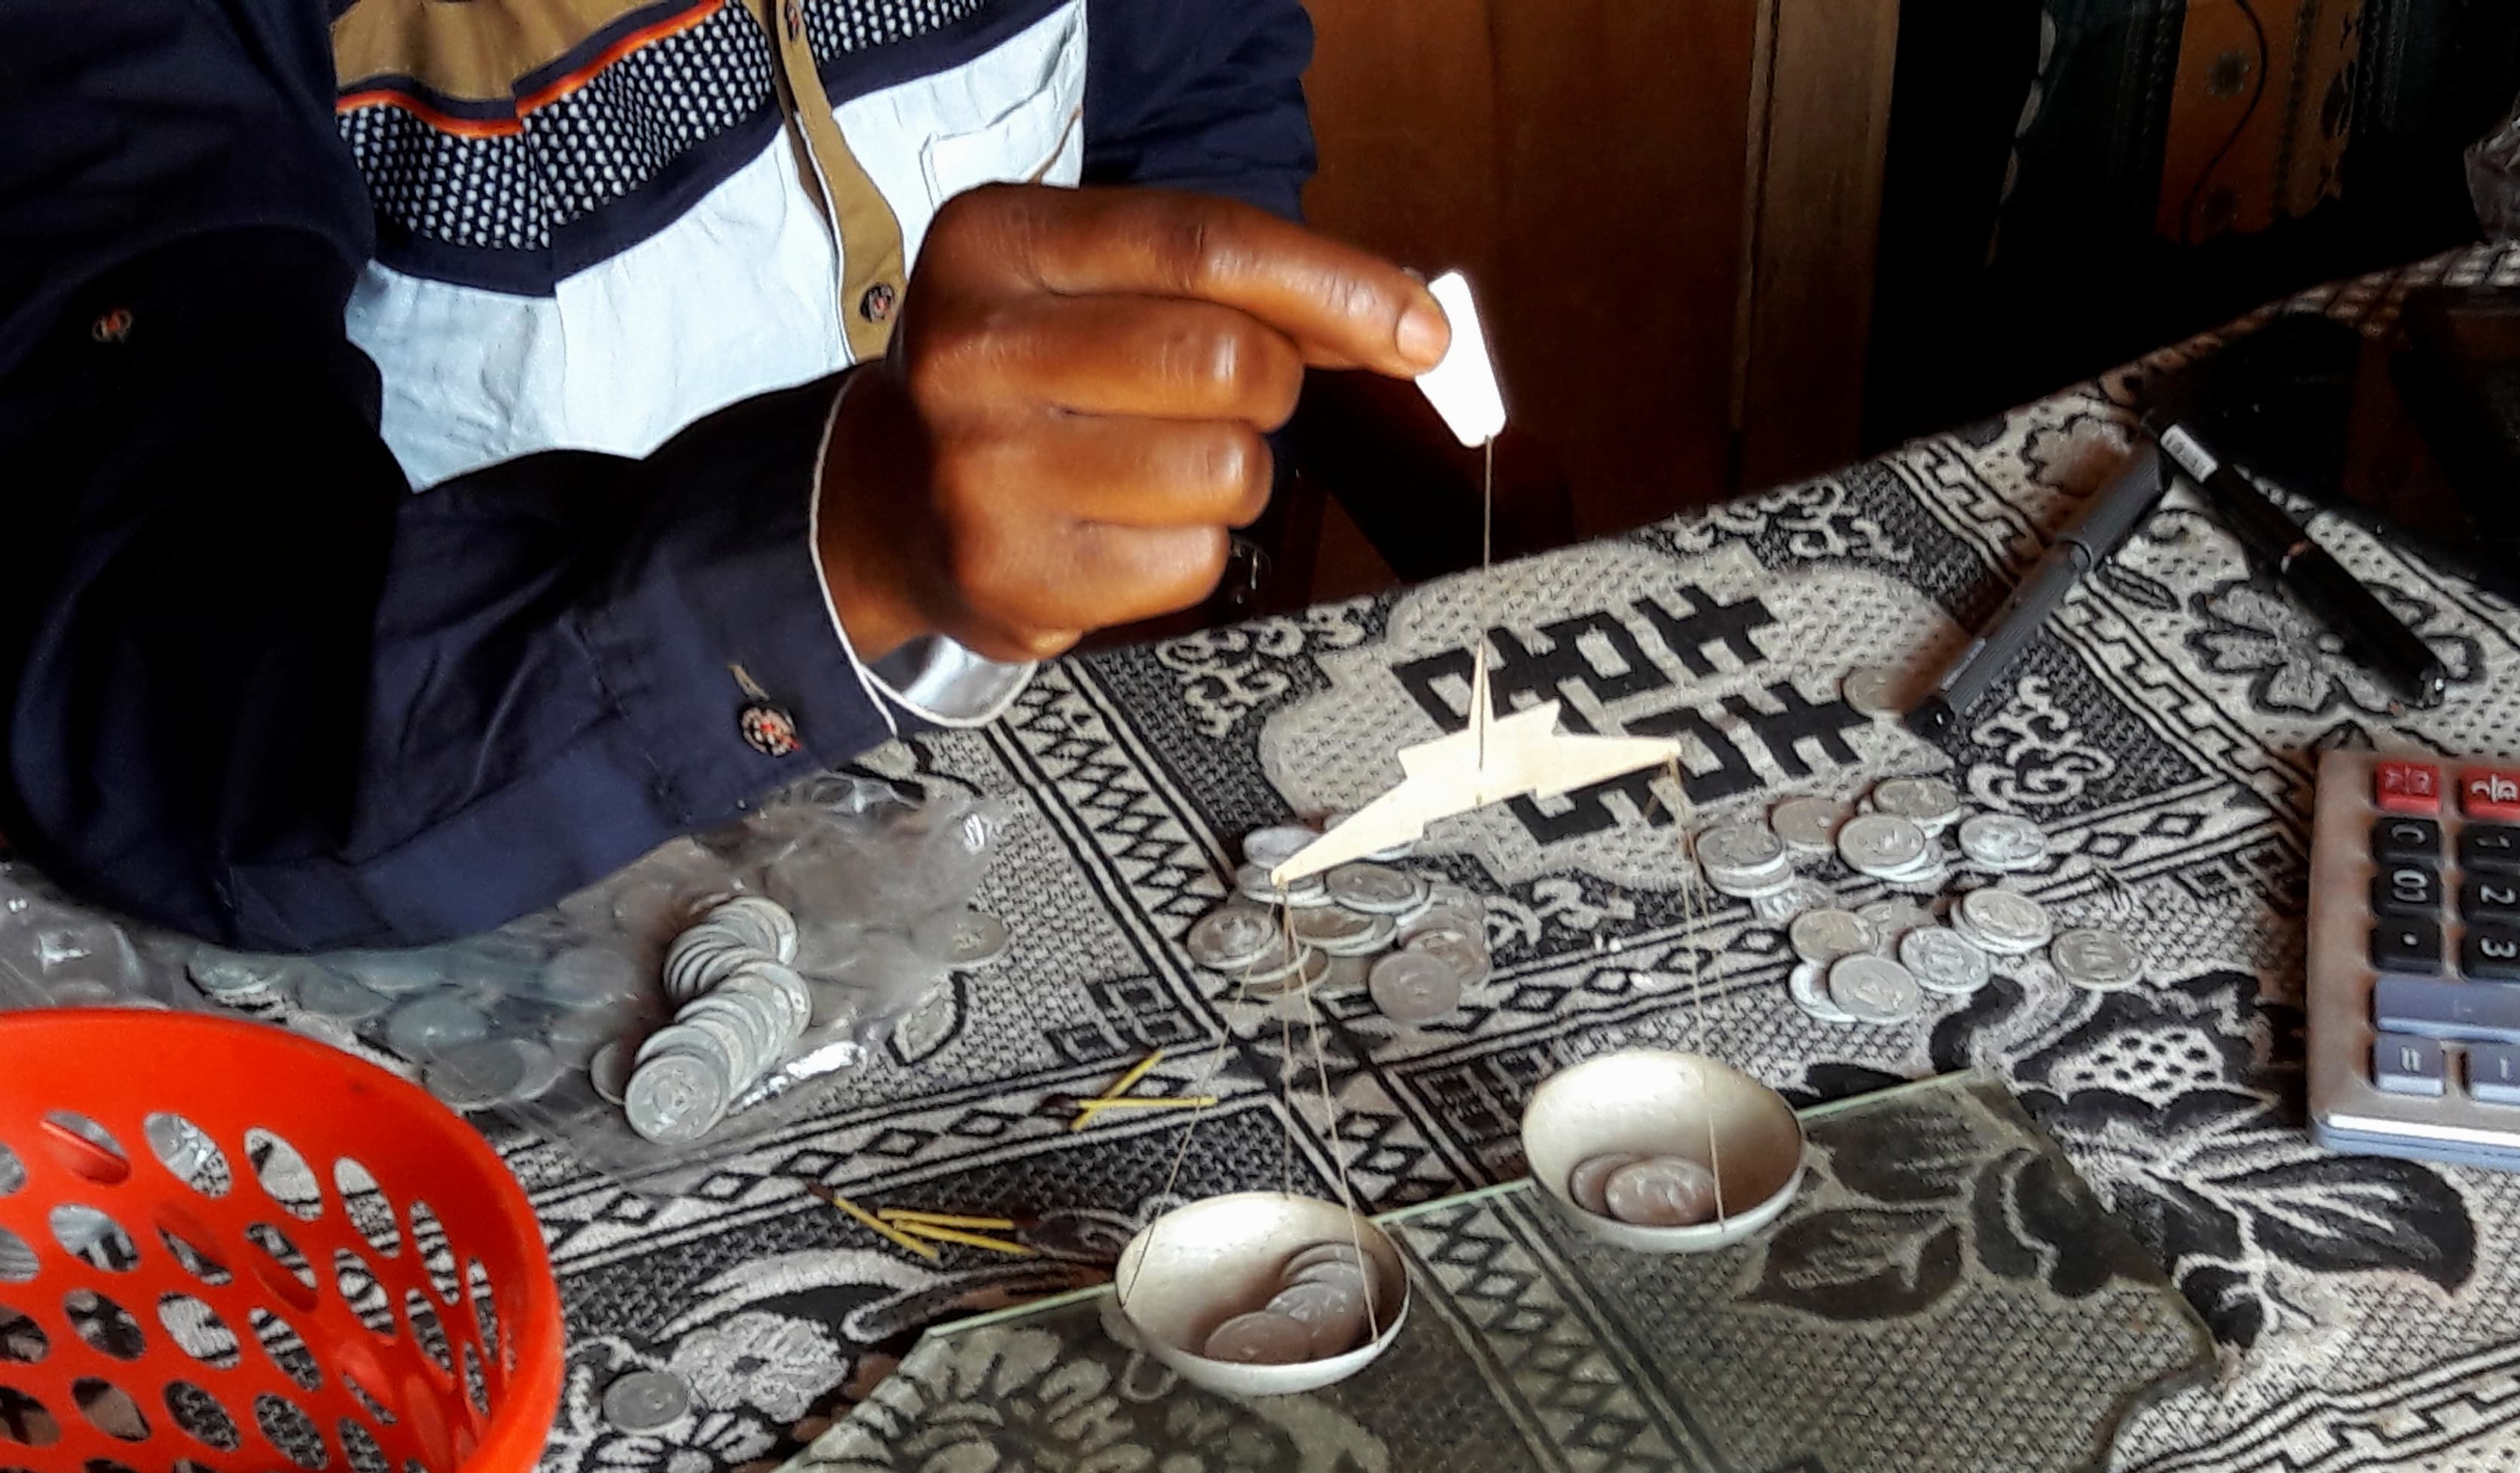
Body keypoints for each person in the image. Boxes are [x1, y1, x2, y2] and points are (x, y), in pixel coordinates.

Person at [0, 0, 1444, 952]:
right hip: (455, 942)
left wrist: (1161, 424)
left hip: (1023, 851)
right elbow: (143, 677)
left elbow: (1193, 105)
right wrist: (823, 554)